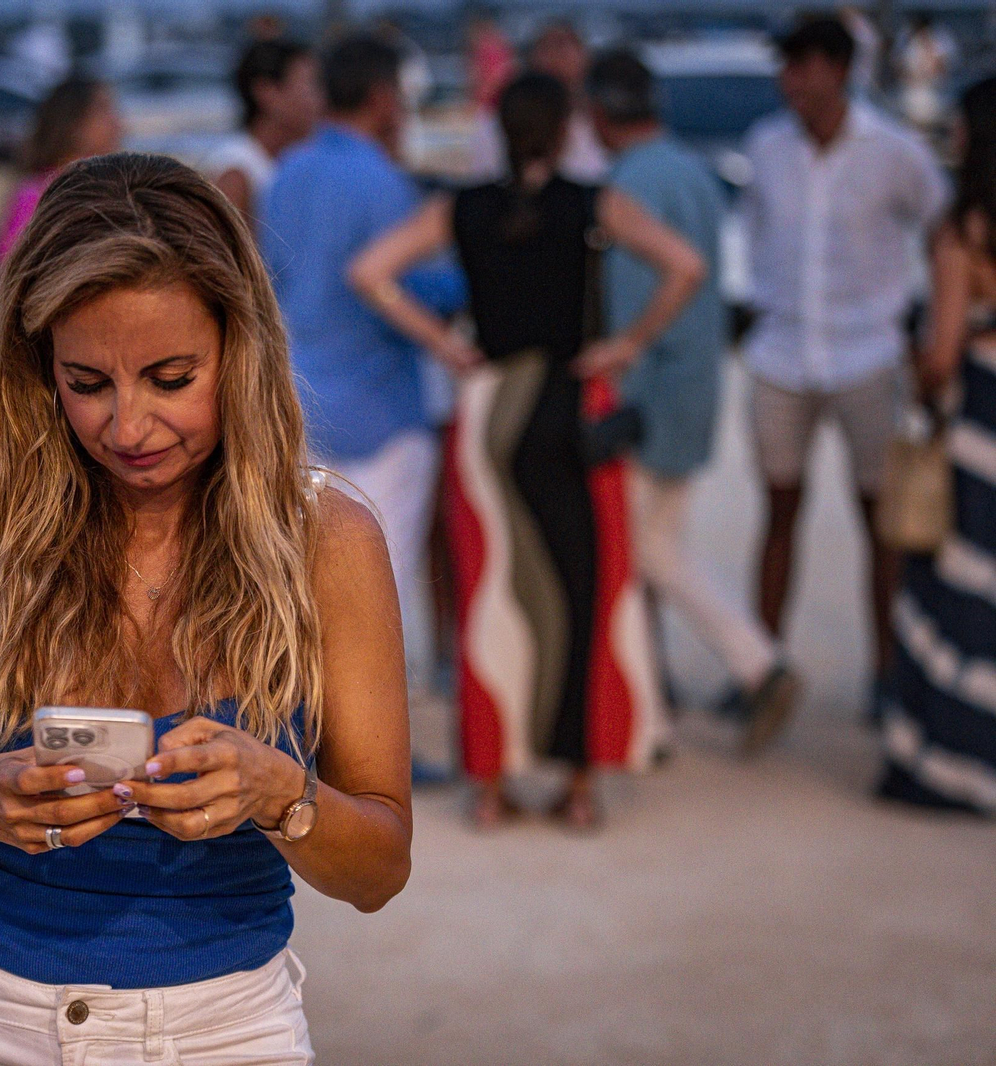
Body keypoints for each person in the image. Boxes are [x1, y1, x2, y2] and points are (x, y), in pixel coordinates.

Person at [0, 153, 414, 1065]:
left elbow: (382, 867)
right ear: (38, 367)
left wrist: (279, 794)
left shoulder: (329, 537)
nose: (128, 427)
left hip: (227, 1033)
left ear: (241, 348)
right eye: (86, 383)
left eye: (170, 377)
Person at [348, 72, 701, 830]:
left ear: (500, 129)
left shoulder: (461, 206)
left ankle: (489, 788)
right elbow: (688, 266)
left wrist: (447, 344)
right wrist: (627, 346)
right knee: (584, 592)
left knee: (489, 598)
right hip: (571, 407)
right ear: (566, 124)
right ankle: (577, 787)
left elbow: (369, 273)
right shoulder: (593, 202)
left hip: (489, 415)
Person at [260, 35, 466, 779]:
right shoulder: (386, 183)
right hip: (380, 407)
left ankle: (302, 741)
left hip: (298, 403)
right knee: (386, 590)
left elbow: (269, 281)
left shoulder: (287, 173)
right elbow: (429, 289)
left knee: (301, 585)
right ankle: (381, 759)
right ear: (382, 98)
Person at [587, 49, 802, 753]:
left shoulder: (627, 186)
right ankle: (669, 692)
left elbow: (628, 307)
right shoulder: (694, 172)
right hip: (694, 386)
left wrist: (620, 382)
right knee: (660, 546)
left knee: (648, 554)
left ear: (599, 115)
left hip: (647, 392)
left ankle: (753, 665)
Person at [742, 16, 949, 731]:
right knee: (778, 512)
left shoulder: (893, 151)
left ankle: (886, 673)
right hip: (782, 352)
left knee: (879, 524)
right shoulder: (767, 147)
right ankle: (761, 666)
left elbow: (942, 225)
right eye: (786, 66)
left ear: (837, 69)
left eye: (800, 66)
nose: (789, 81)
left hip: (868, 354)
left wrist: (929, 322)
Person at [878, 76, 996, 815]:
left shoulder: (963, 231)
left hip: (981, 419)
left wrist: (922, 378)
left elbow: (942, 354)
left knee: (959, 586)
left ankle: (951, 759)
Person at [0, 76, 122, 267]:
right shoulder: (37, 196)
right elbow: (14, 270)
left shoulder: (107, 185)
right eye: (103, 110)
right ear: (75, 123)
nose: (117, 123)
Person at [204, 38, 322, 231]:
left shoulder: (292, 161)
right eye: (310, 86)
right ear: (267, 93)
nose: (320, 100)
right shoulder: (237, 174)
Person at [527, 20, 608, 182]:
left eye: (564, 44)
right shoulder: (515, 123)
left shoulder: (606, 121)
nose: (557, 54)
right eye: (547, 46)